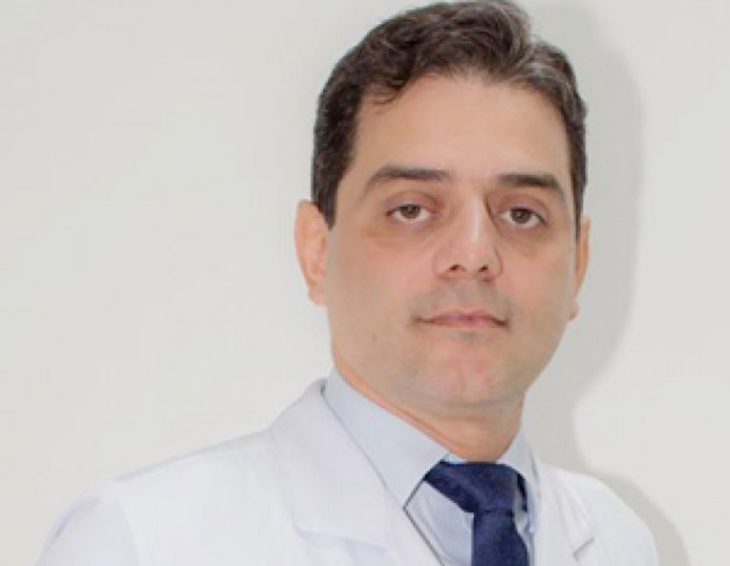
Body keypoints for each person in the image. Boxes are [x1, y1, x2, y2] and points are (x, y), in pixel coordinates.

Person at [36, 1, 657, 565]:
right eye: (411, 209)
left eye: (521, 214)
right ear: (316, 251)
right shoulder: (142, 543)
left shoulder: (619, 541)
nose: (473, 255)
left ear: (578, 263)